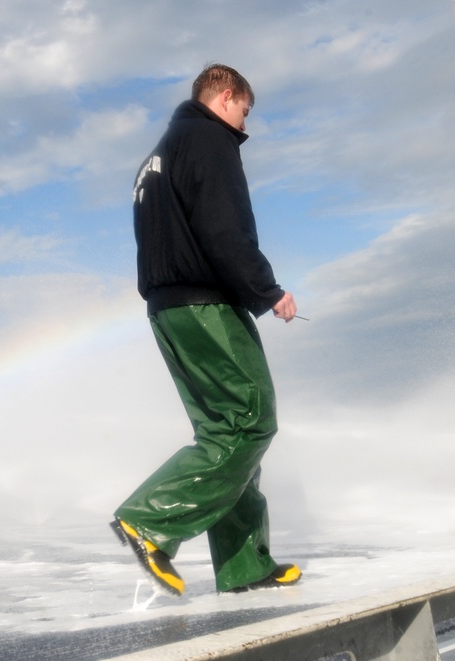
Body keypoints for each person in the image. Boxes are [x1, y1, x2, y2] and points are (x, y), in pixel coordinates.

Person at [111, 64, 301, 596]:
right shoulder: (208, 139)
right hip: (204, 305)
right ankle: (149, 520)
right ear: (226, 96)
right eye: (244, 110)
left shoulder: (157, 156)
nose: (245, 125)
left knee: (224, 435)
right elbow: (223, 229)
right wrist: (267, 291)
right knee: (249, 422)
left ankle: (244, 565)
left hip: (167, 308)